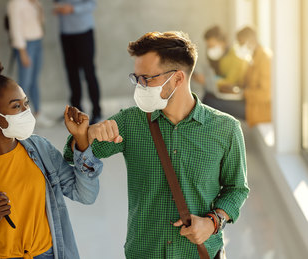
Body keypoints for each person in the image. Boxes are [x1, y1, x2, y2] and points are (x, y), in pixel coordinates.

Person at [64, 31, 249, 258]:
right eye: (137, 78)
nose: (140, 86)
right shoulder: (130, 122)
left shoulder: (226, 129)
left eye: (147, 79)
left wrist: (212, 222)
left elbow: (236, 189)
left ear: (178, 79)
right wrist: (88, 134)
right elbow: (72, 154)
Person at [0, 52, 103, 259]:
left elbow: (86, 195)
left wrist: (82, 140)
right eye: (16, 106)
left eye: (26, 103)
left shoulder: (41, 149)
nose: (26, 112)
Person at [53, 0, 101, 124]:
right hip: (65, 33)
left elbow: (92, 4)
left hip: (83, 32)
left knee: (89, 72)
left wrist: (72, 9)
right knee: (71, 73)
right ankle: (76, 111)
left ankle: (97, 111)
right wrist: (58, 8)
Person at [7, 0, 52, 126]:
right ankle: (18, 118)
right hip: (26, 46)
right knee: (24, 83)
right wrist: (22, 51)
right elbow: (15, 28)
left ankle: (38, 112)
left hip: (37, 41)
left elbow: (41, 22)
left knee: (34, 81)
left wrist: (37, 5)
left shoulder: (33, 2)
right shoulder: (15, 3)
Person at [201, 25, 248, 120]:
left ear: (222, 43)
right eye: (208, 46)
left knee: (208, 102)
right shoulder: (221, 58)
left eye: (212, 46)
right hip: (234, 97)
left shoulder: (236, 56)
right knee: (207, 97)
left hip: (244, 102)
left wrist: (208, 81)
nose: (210, 49)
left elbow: (230, 82)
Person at [236, 26, 272, 127]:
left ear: (251, 40)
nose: (239, 46)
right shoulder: (252, 57)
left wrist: (245, 93)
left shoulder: (265, 58)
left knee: (212, 103)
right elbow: (246, 83)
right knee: (210, 98)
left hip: (258, 110)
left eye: (241, 43)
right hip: (248, 103)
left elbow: (266, 94)